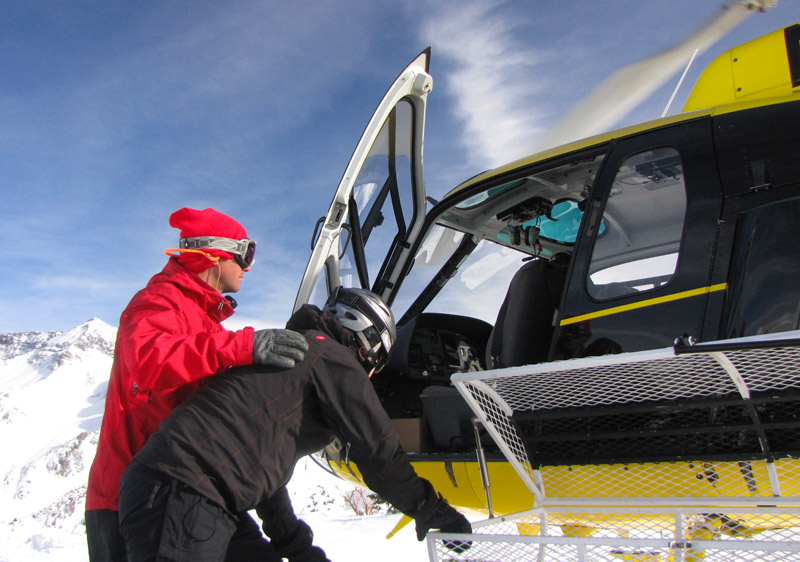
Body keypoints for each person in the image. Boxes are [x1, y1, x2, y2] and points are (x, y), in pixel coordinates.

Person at [118, 287, 472, 562]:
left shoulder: (296, 356)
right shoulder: (332, 357)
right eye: (376, 365)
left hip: (191, 492)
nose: (371, 376)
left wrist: (298, 548)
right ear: (367, 345)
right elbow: (378, 453)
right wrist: (433, 510)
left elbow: (260, 467)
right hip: (184, 493)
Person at [86, 207, 310, 562]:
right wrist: (242, 346)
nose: (248, 267)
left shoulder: (207, 326)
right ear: (215, 255)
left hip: (193, 489)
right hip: (130, 498)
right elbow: (148, 360)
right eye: (244, 254)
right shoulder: (158, 302)